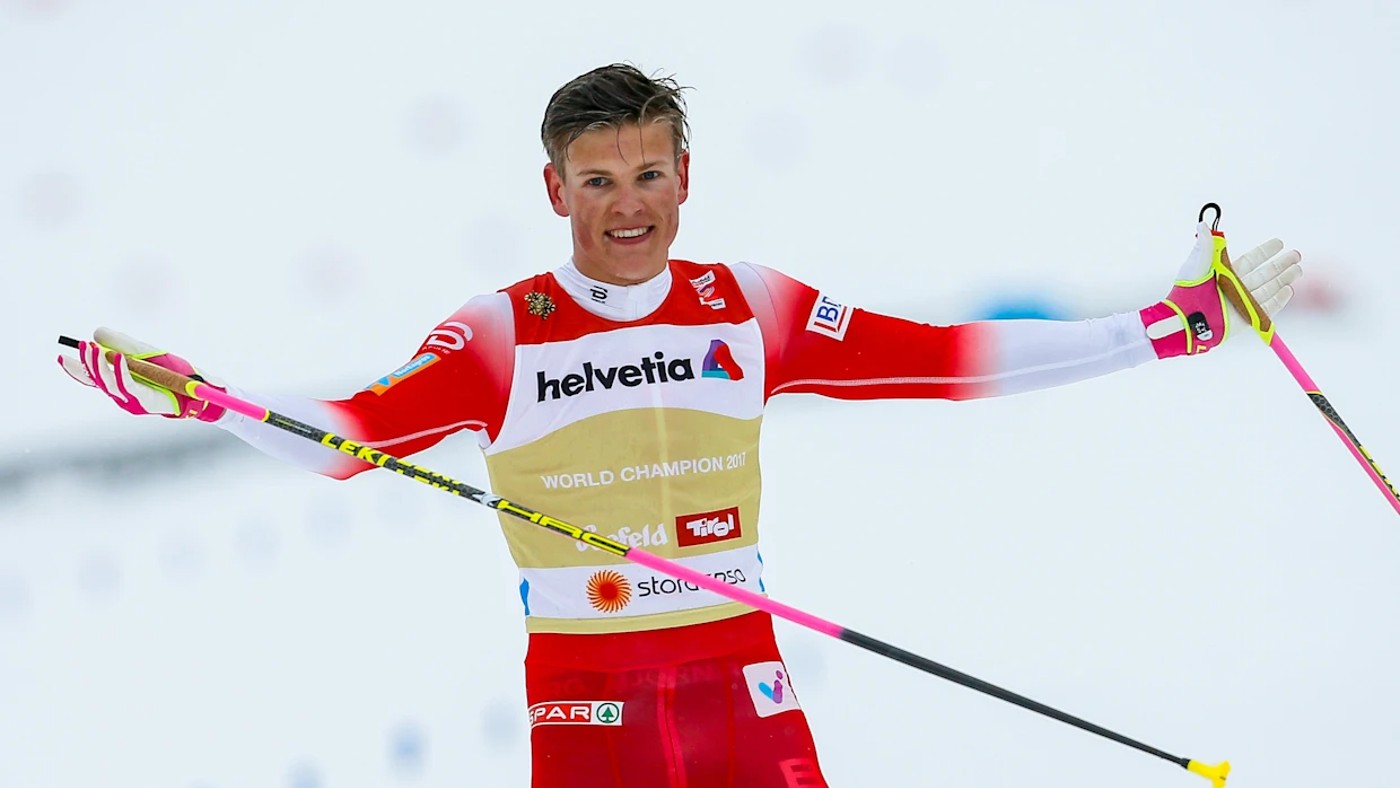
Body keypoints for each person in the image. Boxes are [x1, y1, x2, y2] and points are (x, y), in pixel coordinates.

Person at [59, 63, 1302, 787]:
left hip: (737, 671)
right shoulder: (501, 330)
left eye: (648, 174)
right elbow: (348, 437)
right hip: (583, 692)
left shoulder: (745, 304)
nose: (628, 206)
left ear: (684, 177)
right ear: (554, 188)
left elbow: (939, 360)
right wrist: (203, 394)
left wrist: (1168, 327)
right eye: (597, 180)